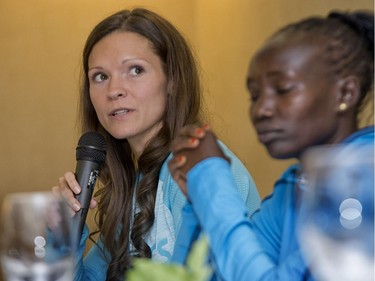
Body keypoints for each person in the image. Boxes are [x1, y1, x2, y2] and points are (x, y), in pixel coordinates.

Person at [52, 8, 261, 281]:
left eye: (135, 70)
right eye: (100, 76)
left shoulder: (199, 170)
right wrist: (64, 231)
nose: (114, 90)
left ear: (172, 81)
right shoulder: (132, 189)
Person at [169, 10, 374, 281]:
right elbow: (199, 275)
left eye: (283, 89)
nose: (261, 110)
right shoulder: (295, 187)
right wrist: (198, 199)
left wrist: (213, 182)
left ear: (345, 93)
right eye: (255, 95)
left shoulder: (363, 181)